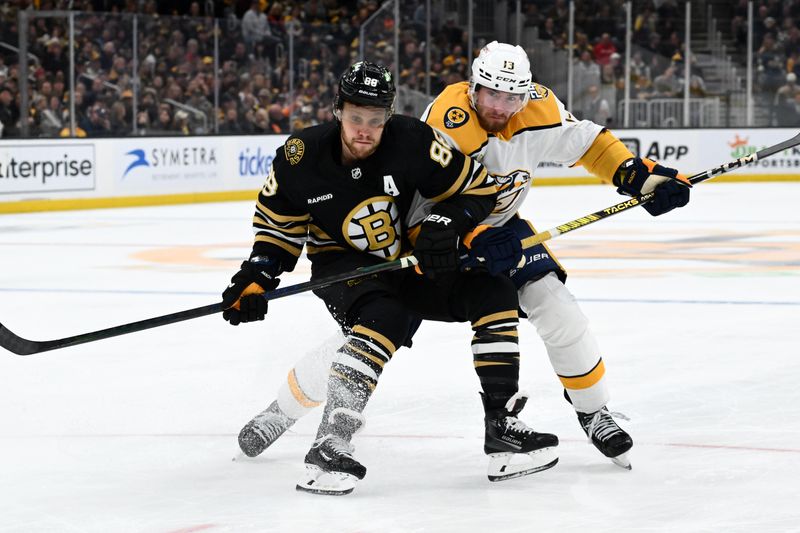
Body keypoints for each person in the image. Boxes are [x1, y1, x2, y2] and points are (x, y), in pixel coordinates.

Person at [236, 43, 691, 472]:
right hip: (429, 236)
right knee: (374, 333)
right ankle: (282, 410)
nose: (498, 106)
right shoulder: (445, 122)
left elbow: (588, 143)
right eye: (490, 93)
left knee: (557, 309)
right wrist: (465, 234)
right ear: (473, 86)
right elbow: (420, 206)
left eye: (510, 98)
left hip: (497, 230)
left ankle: (591, 414)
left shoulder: (540, 109)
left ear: (526, 95)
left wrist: (639, 177)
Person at [222, 61, 558, 495]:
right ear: (337, 110)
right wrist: (256, 278)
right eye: (356, 118)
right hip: (341, 265)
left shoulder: (414, 141)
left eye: (376, 121)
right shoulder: (299, 156)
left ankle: (501, 427)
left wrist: (447, 223)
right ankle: (330, 442)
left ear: (389, 116)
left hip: (408, 260)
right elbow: (277, 231)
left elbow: (478, 188)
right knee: (387, 317)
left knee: (493, 291)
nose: (365, 130)